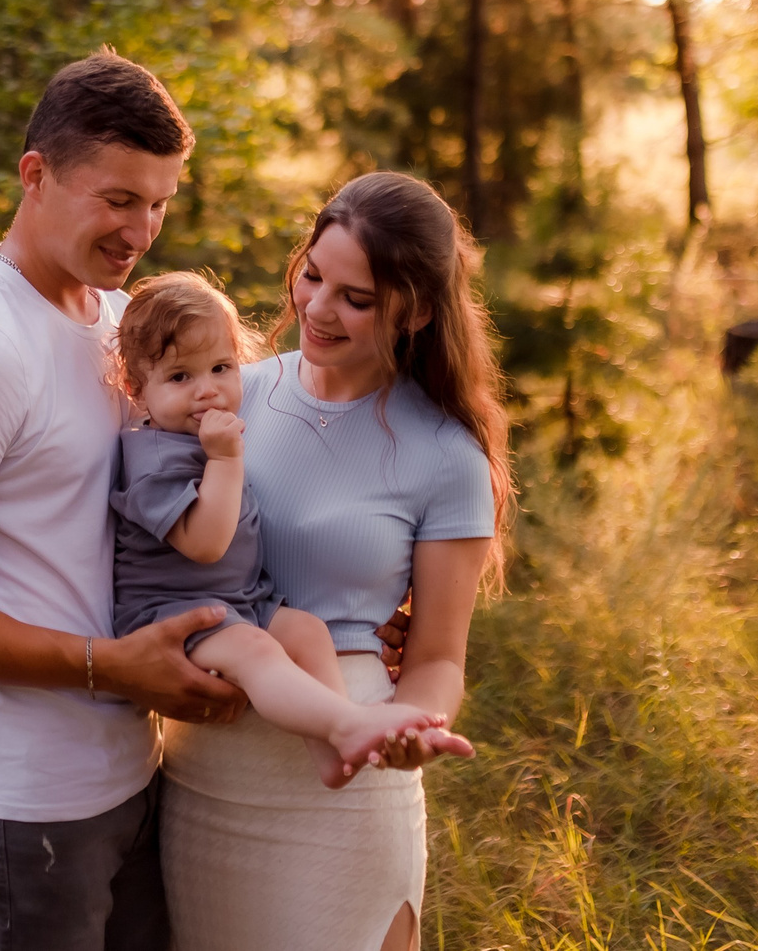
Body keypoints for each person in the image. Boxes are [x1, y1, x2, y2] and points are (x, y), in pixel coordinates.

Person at [0, 51, 245, 951]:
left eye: (160, 203)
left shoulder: (120, 323)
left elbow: (189, 499)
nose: (141, 230)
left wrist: (353, 615)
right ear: (36, 175)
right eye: (119, 199)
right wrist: (112, 667)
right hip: (19, 804)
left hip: (132, 774)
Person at [158, 172, 515, 951]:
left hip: (351, 773)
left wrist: (413, 722)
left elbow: (438, 658)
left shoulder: (446, 453)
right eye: (313, 275)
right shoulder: (228, 396)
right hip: (208, 767)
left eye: (356, 297)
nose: (318, 308)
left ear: (416, 310)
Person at [107, 272, 474, 789]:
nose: (207, 390)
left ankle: (331, 751)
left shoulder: (201, 434)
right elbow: (206, 543)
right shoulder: (153, 458)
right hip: (174, 613)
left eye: (220, 368)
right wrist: (226, 459)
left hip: (239, 601)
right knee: (256, 652)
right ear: (136, 389)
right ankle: (346, 724)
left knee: (307, 631)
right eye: (180, 377)